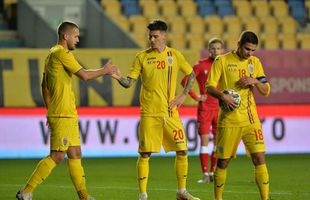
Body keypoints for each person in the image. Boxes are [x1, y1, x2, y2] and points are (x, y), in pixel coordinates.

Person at [16, 21, 117, 200]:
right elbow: (84, 76)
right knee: (57, 156)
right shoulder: (61, 53)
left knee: (76, 153)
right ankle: (26, 192)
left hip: (66, 113)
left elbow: (43, 85)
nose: (78, 39)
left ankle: (84, 196)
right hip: (62, 113)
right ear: (66, 36)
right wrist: (105, 70)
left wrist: (49, 109)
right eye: (76, 36)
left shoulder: (51, 55)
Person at [111, 20, 200, 200]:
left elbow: (191, 74)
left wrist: (183, 95)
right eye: (150, 36)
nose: (151, 39)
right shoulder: (141, 57)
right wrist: (118, 77)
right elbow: (129, 83)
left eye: (155, 36)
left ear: (164, 36)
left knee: (182, 150)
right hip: (149, 113)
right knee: (145, 154)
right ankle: (143, 195)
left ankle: (181, 192)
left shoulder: (175, 55)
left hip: (170, 112)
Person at [206, 31, 270, 200]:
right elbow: (209, 87)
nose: (250, 53)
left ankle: (265, 198)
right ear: (238, 44)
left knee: (259, 158)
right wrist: (222, 96)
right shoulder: (222, 61)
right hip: (228, 121)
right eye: (247, 49)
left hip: (251, 120)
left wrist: (254, 81)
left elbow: (266, 90)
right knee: (223, 162)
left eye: (253, 50)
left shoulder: (255, 63)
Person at [181, 38, 224, 184]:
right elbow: (184, 81)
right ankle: (205, 173)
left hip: (220, 109)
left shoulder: (225, 64)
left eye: (218, 48)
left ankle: (213, 172)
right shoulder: (201, 65)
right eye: (213, 48)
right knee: (205, 142)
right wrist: (196, 96)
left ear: (222, 50)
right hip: (205, 109)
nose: (215, 51)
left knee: (218, 143)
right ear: (209, 49)